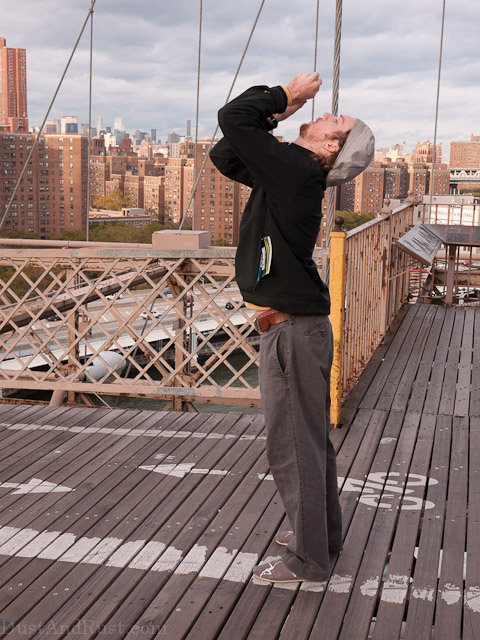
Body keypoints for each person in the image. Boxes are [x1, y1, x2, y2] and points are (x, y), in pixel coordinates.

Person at [210, 72, 374, 584]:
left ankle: (308, 561)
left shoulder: (299, 170)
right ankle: (320, 539)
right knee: (309, 442)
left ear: (330, 144)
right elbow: (226, 154)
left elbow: (233, 117)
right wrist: (276, 116)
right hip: (298, 328)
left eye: (334, 119)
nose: (325, 113)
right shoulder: (291, 172)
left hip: (293, 332)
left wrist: (288, 95)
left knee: (293, 446)